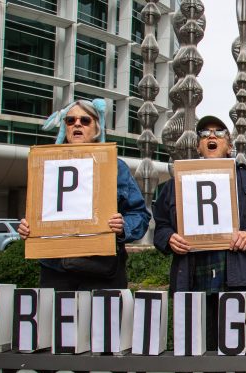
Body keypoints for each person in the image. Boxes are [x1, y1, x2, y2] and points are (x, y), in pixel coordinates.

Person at [153, 115, 246, 373]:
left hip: (235, 277)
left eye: (218, 133)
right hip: (192, 279)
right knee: (196, 345)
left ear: (228, 143)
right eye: (205, 133)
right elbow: (160, 226)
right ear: (198, 145)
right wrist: (168, 238)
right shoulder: (174, 185)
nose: (212, 136)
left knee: (232, 346)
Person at [18, 98, 150, 290]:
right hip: (56, 272)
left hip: (102, 272)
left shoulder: (115, 167)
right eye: (70, 121)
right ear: (65, 128)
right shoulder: (47, 166)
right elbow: (38, 214)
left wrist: (123, 227)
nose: (77, 124)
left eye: (85, 120)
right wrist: (27, 228)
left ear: (97, 127)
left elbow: (140, 215)